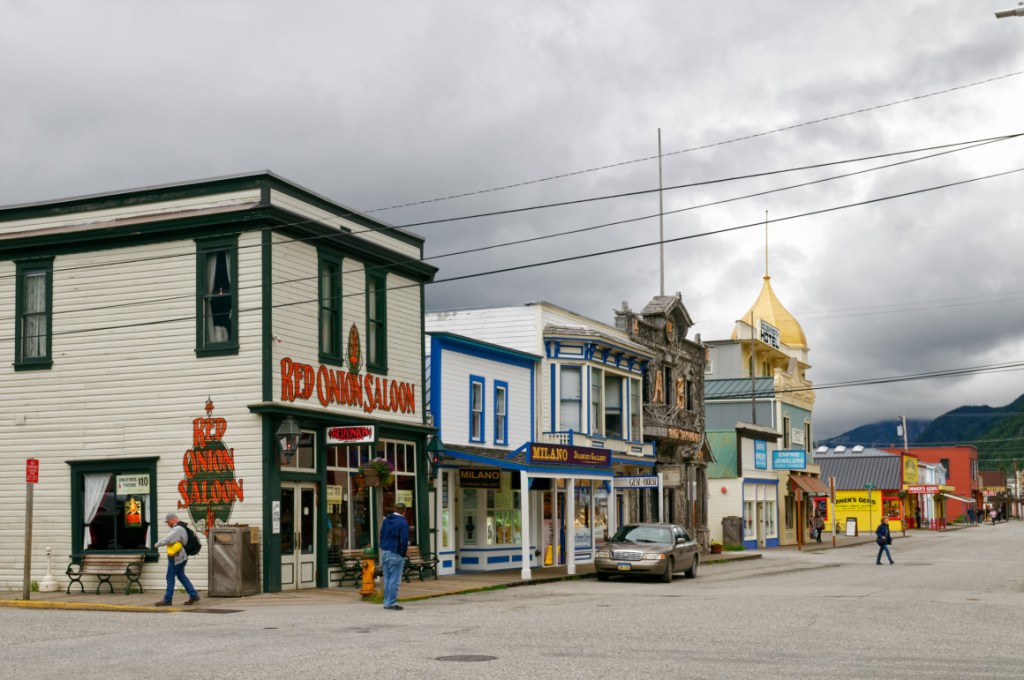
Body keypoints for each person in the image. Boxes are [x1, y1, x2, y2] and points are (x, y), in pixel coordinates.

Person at [154, 512, 200, 606]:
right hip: (182, 557)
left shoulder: (177, 529)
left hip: (177, 557)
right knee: (181, 575)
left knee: (170, 577)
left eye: (168, 522)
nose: (167, 524)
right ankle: (193, 595)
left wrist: (157, 544)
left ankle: (167, 600)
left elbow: (168, 539)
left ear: (171, 520)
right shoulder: (182, 528)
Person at [379, 502, 409, 611]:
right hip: (396, 552)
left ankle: (387, 602)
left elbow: (381, 534)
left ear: (395, 509)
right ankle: (391, 603)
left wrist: (383, 547)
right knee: (394, 580)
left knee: (387, 578)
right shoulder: (403, 522)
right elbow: (404, 540)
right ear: (404, 511)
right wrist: (403, 553)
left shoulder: (386, 520)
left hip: (385, 552)